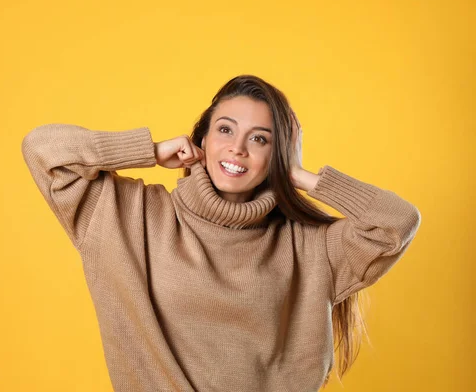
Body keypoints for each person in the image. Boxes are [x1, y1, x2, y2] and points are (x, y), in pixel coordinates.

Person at [21, 74, 421, 391]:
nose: (238, 148)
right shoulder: (129, 215)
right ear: (203, 139)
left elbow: (396, 222)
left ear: (276, 153)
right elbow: (43, 149)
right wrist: (148, 149)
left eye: (260, 139)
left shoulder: (310, 246)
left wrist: (299, 175)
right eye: (225, 130)